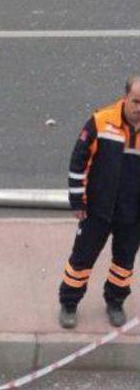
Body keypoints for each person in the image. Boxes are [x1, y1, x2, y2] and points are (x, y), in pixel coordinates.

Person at [58, 76, 140, 329]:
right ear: (125, 97)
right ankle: (69, 303)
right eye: (136, 101)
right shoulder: (101, 122)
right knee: (81, 260)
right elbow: (78, 163)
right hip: (97, 210)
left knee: (123, 263)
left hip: (133, 213)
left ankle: (115, 301)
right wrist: (77, 201)